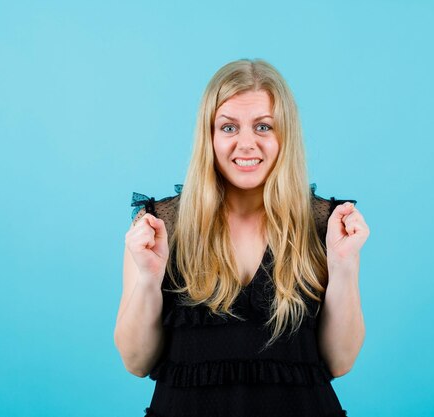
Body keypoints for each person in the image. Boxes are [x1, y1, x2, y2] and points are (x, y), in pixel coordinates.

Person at [114, 58, 370, 417]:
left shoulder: (326, 225)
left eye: (263, 126)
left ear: (286, 135)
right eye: (229, 127)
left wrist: (343, 267)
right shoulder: (159, 226)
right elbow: (136, 361)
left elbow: (340, 362)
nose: (246, 143)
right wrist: (148, 279)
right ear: (209, 136)